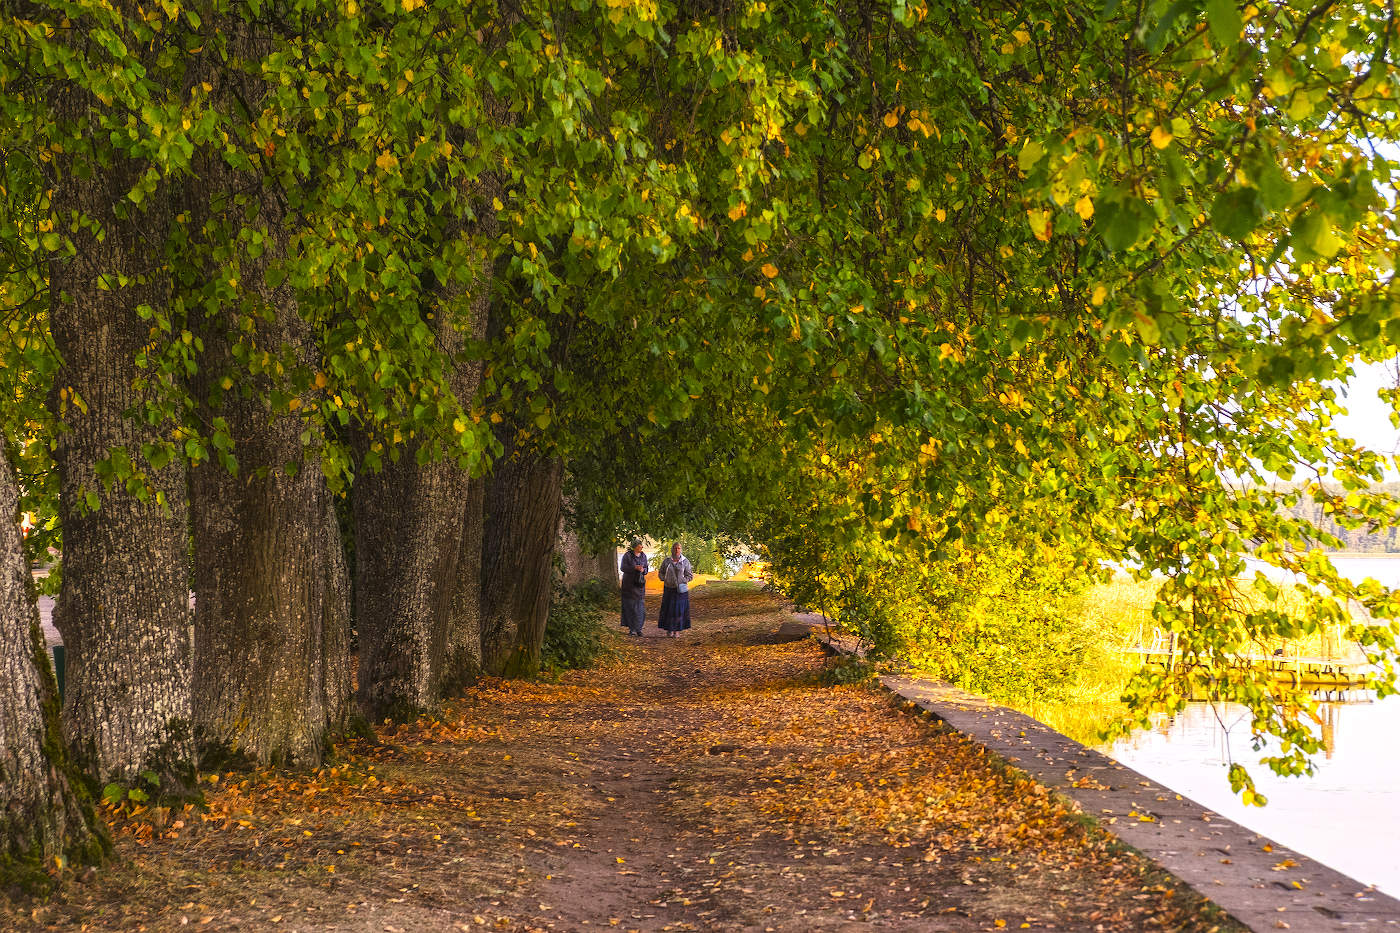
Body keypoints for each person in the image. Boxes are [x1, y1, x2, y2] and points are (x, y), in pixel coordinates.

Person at [657, 541, 694, 638]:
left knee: (679, 610)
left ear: (681, 550)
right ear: (672, 549)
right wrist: (664, 578)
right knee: (668, 610)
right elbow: (660, 573)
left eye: (678, 548)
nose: (677, 550)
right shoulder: (666, 561)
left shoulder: (685, 561)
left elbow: (690, 576)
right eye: (675, 548)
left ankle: (677, 631)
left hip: (681, 591)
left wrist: (683, 581)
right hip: (669, 589)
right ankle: (669, 630)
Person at [619, 540, 648, 636]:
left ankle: (639, 629)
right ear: (635, 546)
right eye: (640, 546)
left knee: (640, 608)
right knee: (631, 607)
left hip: (639, 586)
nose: (642, 547)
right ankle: (632, 629)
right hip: (629, 586)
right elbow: (623, 568)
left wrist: (643, 570)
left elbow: (646, 569)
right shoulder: (627, 556)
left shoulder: (643, 556)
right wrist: (634, 568)